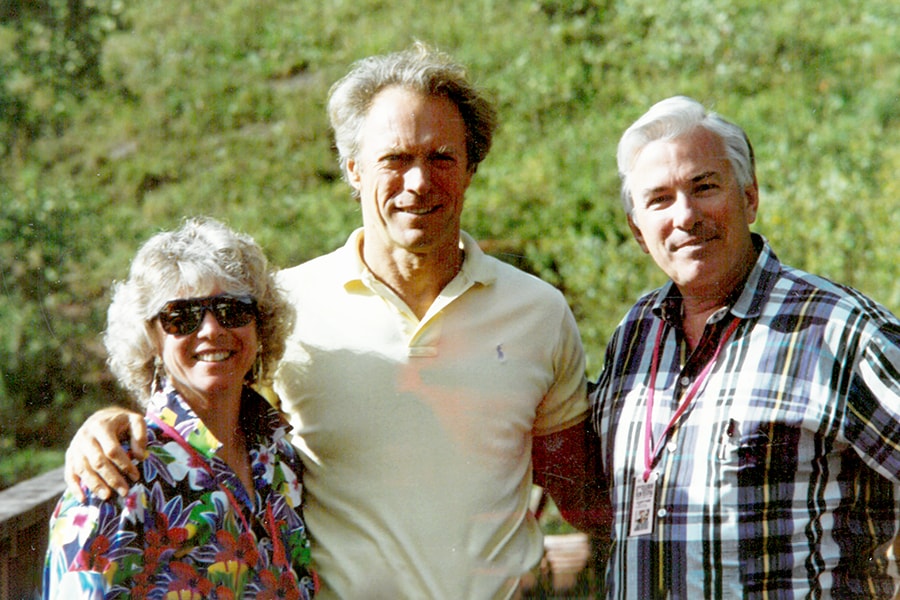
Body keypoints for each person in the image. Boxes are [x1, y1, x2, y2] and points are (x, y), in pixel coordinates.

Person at [64, 43, 600, 599]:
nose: (419, 181)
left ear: (469, 168)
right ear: (353, 169)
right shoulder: (284, 305)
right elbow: (206, 408)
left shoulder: (538, 311)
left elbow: (579, 488)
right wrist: (109, 423)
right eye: (395, 159)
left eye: (441, 157)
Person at [590, 95, 900, 598]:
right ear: (638, 233)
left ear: (750, 198)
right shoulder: (632, 336)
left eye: (704, 187)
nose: (686, 215)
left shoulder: (837, 329)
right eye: (660, 200)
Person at [44, 218, 317, 598]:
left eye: (232, 310)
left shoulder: (280, 459)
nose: (210, 329)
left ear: (259, 325)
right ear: (152, 337)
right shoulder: (119, 474)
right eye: (181, 316)